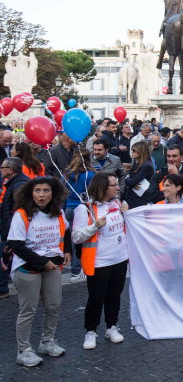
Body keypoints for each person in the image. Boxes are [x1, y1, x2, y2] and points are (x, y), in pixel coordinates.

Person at [7, 177, 71, 367]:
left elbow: (65, 230)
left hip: (51, 266)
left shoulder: (57, 213)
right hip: (28, 269)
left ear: (53, 193)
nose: (41, 195)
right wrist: (43, 262)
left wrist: (67, 249)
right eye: (37, 191)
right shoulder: (22, 214)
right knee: (28, 310)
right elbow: (16, 245)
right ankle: (23, 350)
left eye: (46, 191)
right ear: (30, 192)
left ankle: (47, 342)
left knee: (53, 306)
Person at [72, 174, 129, 350]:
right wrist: (94, 226)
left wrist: (127, 213)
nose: (118, 188)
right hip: (100, 262)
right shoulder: (85, 209)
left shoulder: (118, 204)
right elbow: (76, 237)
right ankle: (91, 330)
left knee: (115, 295)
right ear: (103, 188)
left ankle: (111, 326)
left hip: (119, 258)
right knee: (96, 298)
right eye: (114, 185)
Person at [60, 149, 96, 281]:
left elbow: (62, 193)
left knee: (71, 239)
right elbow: (92, 193)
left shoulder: (66, 173)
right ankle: (78, 269)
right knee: (81, 240)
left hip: (69, 208)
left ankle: (74, 271)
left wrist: (63, 208)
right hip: (82, 210)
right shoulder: (90, 174)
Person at [0, 157, 32, 299]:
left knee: (5, 256)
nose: (1, 170)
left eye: (2, 168)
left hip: (14, 230)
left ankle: (3, 289)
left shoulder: (19, 184)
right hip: (11, 227)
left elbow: (20, 209)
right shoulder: (17, 182)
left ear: (10, 170)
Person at [121, 141, 156, 208]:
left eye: (134, 150)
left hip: (138, 199)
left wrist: (127, 177)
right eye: (132, 150)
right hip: (131, 197)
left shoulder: (146, 165)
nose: (132, 152)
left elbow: (132, 182)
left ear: (140, 151)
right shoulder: (137, 163)